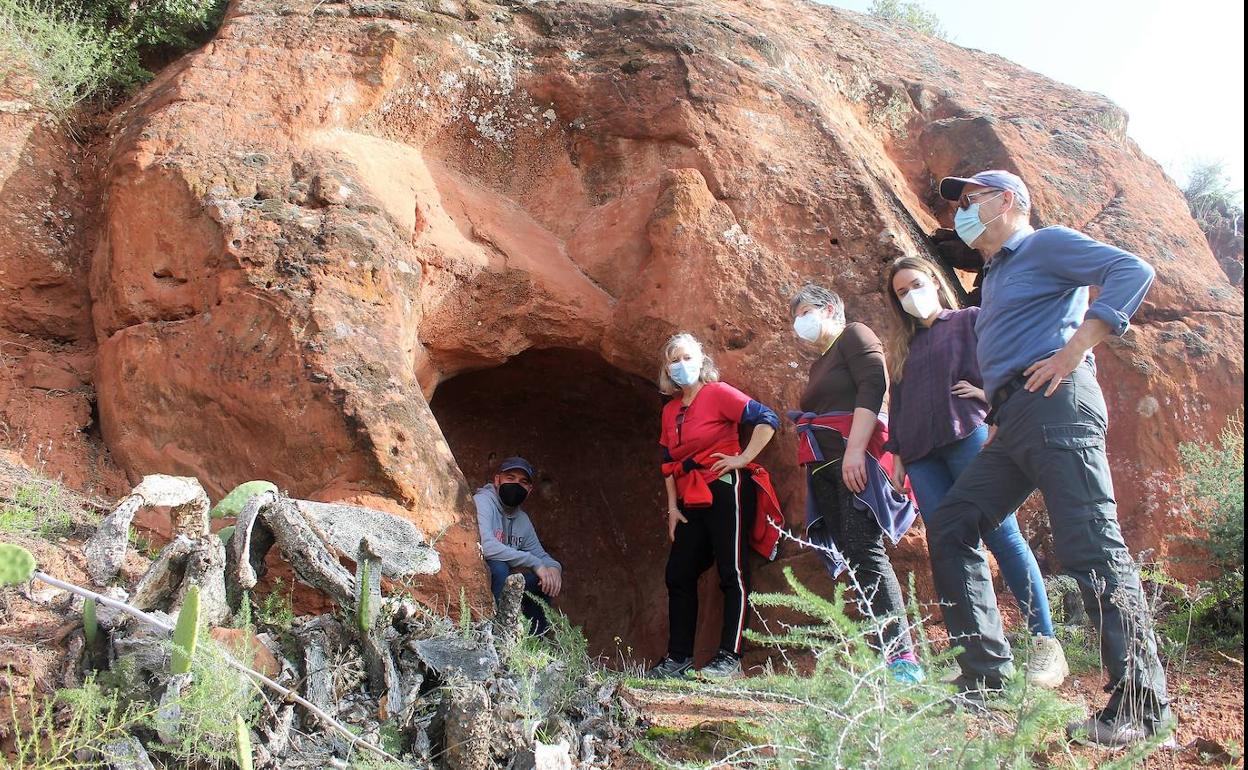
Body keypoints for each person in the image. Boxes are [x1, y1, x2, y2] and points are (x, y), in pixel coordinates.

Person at [929, 169, 1170, 745]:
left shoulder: (1044, 243)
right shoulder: (998, 272)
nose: (961, 211)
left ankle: (1141, 707)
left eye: (971, 200)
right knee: (953, 524)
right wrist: (998, 397)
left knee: (1090, 542)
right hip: (1015, 418)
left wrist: (1074, 350)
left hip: (1058, 404)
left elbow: (1133, 270)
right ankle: (985, 676)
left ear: (1007, 200)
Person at [882, 254, 1068, 688]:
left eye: (915, 284)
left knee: (1002, 534)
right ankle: (978, 655)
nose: (911, 296)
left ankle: (1044, 642)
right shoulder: (903, 348)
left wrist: (988, 396)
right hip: (921, 454)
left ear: (933, 280)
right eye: (902, 293)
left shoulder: (970, 319)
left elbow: (1008, 363)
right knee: (948, 545)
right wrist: (897, 461)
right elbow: (900, 407)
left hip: (967, 434)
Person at [788, 284, 924, 684]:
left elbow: (874, 387)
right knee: (851, 551)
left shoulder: (856, 334)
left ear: (830, 308)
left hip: (854, 455)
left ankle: (902, 657)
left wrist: (855, 450)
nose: (800, 322)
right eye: (795, 316)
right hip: (824, 464)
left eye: (805, 311)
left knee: (865, 549)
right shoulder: (819, 363)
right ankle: (882, 654)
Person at [647, 332, 781, 681]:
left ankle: (730, 657)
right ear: (666, 368)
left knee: (731, 571)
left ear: (701, 360)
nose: (681, 365)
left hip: (725, 488)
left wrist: (742, 458)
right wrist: (672, 508)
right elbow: (667, 463)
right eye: (674, 359)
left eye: (687, 357)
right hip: (691, 498)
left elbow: (767, 418)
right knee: (678, 572)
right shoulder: (671, 409)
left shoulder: (717, 393)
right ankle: (678, 659)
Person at [475, 456, 561, 635]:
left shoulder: (522, 520)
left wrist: (554, 569)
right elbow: (487, 546)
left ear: (529, 490)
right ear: (497, 480)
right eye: (510, 478)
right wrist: (533, 562)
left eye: (523, 482)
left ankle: (536, 642)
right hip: (480, 576)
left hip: (506, 583)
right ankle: (495, 632)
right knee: (499, 567)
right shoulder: (483, 501)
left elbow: (541, 555)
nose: (515, 485)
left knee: (541, 581)